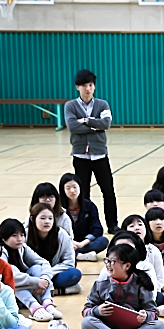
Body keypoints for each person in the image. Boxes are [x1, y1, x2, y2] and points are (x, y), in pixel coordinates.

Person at [81, 244, 164, 329]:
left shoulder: (141, 284)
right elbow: (86, 311)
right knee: (87, 322)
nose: (108, 265)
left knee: (159, 326)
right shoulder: (100, 284)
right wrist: (97, 311)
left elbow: (152, 312)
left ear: (127, 266)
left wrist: (146, 316)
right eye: (107, 261)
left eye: (112, 262)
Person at [65, 68, 118, 232]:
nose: (88, 89)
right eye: (84, 85)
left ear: (94, 86)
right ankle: (85, 226)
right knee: (83, 193)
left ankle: (112, 224)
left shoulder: (103, 104)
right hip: (81, 156)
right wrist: (95, 125)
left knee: (108, 191)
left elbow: (106, 124)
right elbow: (72, 126)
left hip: (100, 155)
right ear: (77, 87)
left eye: (90, 85)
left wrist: (86, 120)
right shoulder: (70, 106)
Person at [0, 218, 61, 322]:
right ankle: (34, 307)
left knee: (37, 268)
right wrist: (36, 282)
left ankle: (46, 302)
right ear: (3, 238)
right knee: (12, 270)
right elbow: (8, 276)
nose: (20, 239)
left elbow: (43, 262)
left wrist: (44, 280)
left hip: (26, 290)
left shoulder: (22, 247)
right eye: (14, 236)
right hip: (6, 293)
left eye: (22, 235)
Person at [26, 203, 82, 298]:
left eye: (50, 218)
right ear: (32, 219)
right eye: (42, 218)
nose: (47, 222)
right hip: (32, 275)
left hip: (53, 274)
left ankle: (42, 290)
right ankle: (59, 290)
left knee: (75, 274)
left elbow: (69, 262)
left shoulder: (61, 234)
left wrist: (46, 276)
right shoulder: (24, 235)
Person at [59, 173, 107, 261]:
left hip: (84, 242)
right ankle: (80, 255)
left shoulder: (89, 205)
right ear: (63, 190)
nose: (72, 191)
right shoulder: (59, 208)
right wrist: (70, 242)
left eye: (74, 187)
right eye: (68, 188)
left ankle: (76, 254)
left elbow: (97, 229)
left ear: (80, 187)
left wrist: (82, 243)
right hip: (66, 243)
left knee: (103, 241)